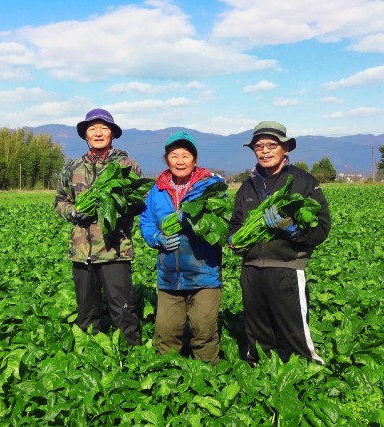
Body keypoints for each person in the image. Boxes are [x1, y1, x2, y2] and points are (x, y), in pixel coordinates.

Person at [228, 121, 331, 365]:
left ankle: (309, 374)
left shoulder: (302, 181)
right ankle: (261, 376)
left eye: (271, 145)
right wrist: (233, 239)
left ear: (285, 148)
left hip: (286, 267)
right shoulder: (247, 185)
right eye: (259, 146)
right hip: (252, 269)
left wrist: (292, 231)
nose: (264, 151)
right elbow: (235, 223)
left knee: (294, 332)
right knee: (257, 332)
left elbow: (322, 227)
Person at [54, 108, 141, 346]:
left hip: (114, 250)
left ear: (112, 133)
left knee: (123, 310)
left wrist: (115, 205)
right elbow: (60, 200)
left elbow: (139, 202)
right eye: (92, 129)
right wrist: (72, 212)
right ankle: (88, 358)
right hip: (81, 252)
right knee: (86, 311)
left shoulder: (127, 165)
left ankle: (132, 360)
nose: (98, 133)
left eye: (104, 128)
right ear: (86, 136)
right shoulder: (73, 167)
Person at [139, 131, 225, 364]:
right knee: (166, 332)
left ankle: (208, 378)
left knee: (204, 331)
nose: (180, 161)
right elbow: (146, 221)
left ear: (194, 160)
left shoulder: (209, 187)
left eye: (185, 155)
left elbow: (224, 221)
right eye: (174, 155)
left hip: (203, 273)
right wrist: (157, 237)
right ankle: (168, 378)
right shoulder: (156, 191)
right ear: (166, 159)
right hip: (169, 276)